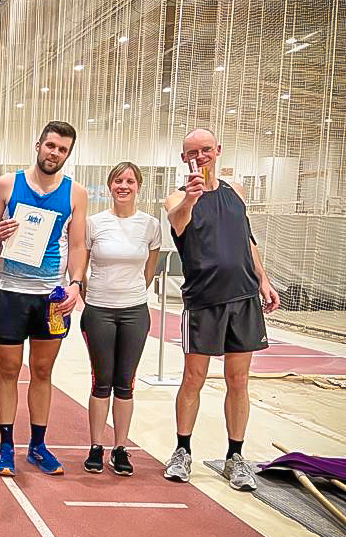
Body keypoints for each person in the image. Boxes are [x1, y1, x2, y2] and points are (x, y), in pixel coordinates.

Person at [162, 128, 279, 491]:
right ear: (184, 158)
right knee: (193, 378)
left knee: (238, 380)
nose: (201, 156)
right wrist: (191, 199)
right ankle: (182, 450)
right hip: (204, 300)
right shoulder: (176, 198)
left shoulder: (235, 192)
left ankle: (235, 457)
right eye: (192, 151)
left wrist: (263, 279)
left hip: (243, 298)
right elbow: (178, 223)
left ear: (218, 151)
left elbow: (247, 240)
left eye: (206, 149)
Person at [0, 121, 88, 477]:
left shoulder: (76, 193)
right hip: (10, 290)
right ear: (38, 144)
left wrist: (75, 284)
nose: (54, 153)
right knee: (9, 370)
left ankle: (38, 446)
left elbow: (77, 245)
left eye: (62, 149)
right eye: (50, 146)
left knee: (43, 371)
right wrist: (1, 232)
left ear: (68, 155)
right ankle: (5, 445)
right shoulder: (7, 184)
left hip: (51, 296)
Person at [79, 162, 160, 476]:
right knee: (102, 381)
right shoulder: (94, 224)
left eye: (129, 181)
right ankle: (96, 446)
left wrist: (130, 295)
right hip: (98, 310)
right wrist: (95, 298)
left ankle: (121, 448)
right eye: (118, 181)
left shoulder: (151, 225)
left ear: (138, 186)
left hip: (134, 311)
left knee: (125, 383)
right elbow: (81, 269)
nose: (123, 186)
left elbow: (149, 272)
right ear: (110, 186)